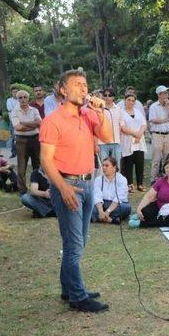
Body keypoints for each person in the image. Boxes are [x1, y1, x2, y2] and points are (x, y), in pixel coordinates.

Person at [39, 69, 113, 312]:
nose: (84, 89)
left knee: (78, 242)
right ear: (63, 89)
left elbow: (107, 136)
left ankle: (67, 288)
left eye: (85, 84)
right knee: (74, 243)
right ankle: (78, 297)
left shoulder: (88, 115)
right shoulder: (52, 120)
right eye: (78, 84)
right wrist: (63, 188)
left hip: (89, 182)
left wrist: (100, 112)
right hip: (67, 184)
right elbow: (46, 161)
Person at [11, 89, 42, 193]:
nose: (23, 99)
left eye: (25, 97)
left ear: (28, 98)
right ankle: (22, 190)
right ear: (17, 99)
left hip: (35, 139)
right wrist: (32, 125)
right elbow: (17, 127)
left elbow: (39, 123)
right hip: (21, 141)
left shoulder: (34, 110)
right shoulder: (14, 112)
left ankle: (38, 187)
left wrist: (24, 122)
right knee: (21, 166)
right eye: (20, 97)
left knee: (37, 164)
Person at [119, 92, 147, 193]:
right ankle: (129, 184)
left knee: (140, 163)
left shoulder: (138, 111)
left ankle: (140, 184)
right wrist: (135, 133)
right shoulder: (121, 112)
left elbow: (144, 124)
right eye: (129, 100)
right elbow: (122, 128)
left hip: (139, 141)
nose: (131, 102)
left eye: (133, 100)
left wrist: (139, 135)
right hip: (127, 140)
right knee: (128, 163)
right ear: (124, 100)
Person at [148, 85, 169, 180]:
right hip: (157, 134)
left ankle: (166, 178)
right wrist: (167, 119)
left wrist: (168, 107)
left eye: (167, 92)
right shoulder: (153, 106)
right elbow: (154, 120)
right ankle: (153, 179)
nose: (166, 94)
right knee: (156, 159)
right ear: (159, 95)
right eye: (164, 93)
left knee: (167, 159)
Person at [91, 156, 131, 224]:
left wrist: (107, 212)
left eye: (107, 166)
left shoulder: (122, 179)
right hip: (101, 204)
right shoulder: (98, 179)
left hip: (116, 205)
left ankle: (98, 218)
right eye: (103, 165)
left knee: (126, 208)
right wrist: (101, 211)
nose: (104, 168)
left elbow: (118, 198)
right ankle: (112, 219)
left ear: (114, 168)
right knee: (90, 207)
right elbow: (97, 196)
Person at [98, 87, 123, 165]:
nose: (107, 97)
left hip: (116, 143)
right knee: (103, 168)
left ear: (113, 97)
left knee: (116, 167)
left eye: (110, 95)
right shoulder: (98, 109)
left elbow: (121, 124)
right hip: (102, 143)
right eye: (105, 95)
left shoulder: (118, 109)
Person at [6, 85, 19, 158]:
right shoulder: (9, 100)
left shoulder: (21, 99)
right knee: (13, 138)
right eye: (13, 92)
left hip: (21, 121)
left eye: (16, 92)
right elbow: (10, 109)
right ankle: (13, 153)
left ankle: (21, 152)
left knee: (21, 137)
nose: (15, 93)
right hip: (13, 121)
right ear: (11, 93)